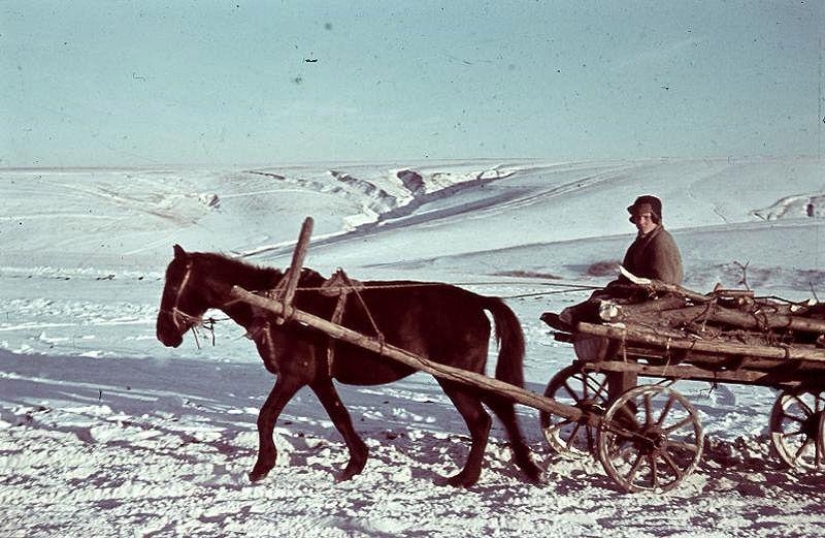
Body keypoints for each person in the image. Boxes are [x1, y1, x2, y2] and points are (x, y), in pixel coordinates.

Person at [621, 195, 683, 285]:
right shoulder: (638, 243)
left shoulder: (660, 241)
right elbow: (626, 274)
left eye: (646, 217)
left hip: (663, 295)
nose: (641, 222)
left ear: (655, 218)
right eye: (638, 217)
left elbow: (666, 282)